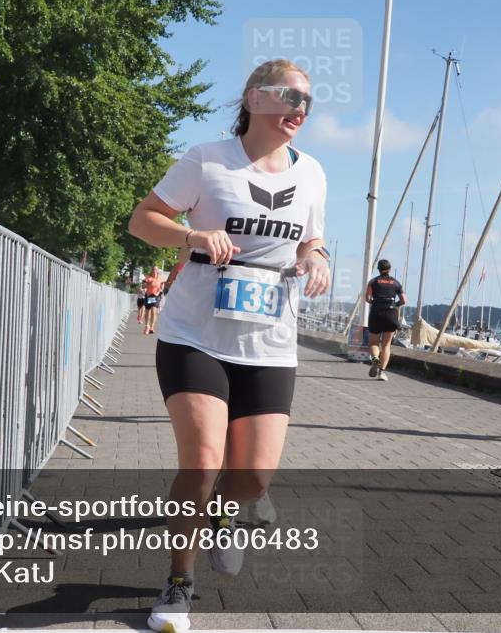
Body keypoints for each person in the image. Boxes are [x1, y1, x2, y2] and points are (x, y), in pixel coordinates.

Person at [128, 58, 329, 633]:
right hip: (194, 334)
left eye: (307, 101)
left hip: (269, 341)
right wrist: (192, 234)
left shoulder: (311, 172)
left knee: (254, 479)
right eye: (290, 96)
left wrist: (315, 257)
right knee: (202, 462)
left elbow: (312, 238)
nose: (299, 109)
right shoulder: (207, 159)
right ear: (255, 98)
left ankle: (227, 514)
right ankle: (178, 584)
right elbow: (143, 220)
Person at [364, 259, 406, 381]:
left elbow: (367, 298)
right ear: (389, 269)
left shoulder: (373, 282)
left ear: (378, 268)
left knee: (373, 343)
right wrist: (394, 305)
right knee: (386, 345)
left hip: (376, 313)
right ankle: (382, 373)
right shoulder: (396, 283)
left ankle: (375, 358)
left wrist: (375, 303)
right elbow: (404, 300)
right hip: (391, 314)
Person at [142, 265, 163, 334]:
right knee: (148, 311)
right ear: (151, 270)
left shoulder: (160, 278)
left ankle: (151, 327)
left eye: (155, 270)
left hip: (156, 296)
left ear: (157, 271)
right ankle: (147, 326)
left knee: (154, 311)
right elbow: (143, 286)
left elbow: (162, 287)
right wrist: (147, 283)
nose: (154, 271)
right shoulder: (148, 277)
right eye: (153, 269)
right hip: (149, 295)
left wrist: (160, 290)